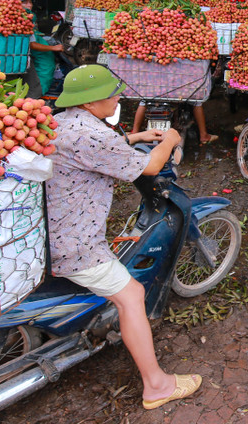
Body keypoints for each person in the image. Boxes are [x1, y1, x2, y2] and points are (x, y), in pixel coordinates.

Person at [47, 65, 202, 409]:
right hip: (74, 243)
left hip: (51, 229)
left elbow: (92, 148)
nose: (118, 98)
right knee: (132, 295)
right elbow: (148, 168)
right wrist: (172, 138)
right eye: (111, 94)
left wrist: (134, 138)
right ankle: (157, 385)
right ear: (89, 103)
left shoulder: (62, 121)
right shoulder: (93, 135)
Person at [12, 0, 63, 98]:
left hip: (23, 56)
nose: (29, 5)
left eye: (30, 2)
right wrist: (53, 48)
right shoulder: (18, 21)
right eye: (25, 3)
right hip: (24, 57)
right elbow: (32, 44)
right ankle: (33, 99)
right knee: (35, 85)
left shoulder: (24, 19)